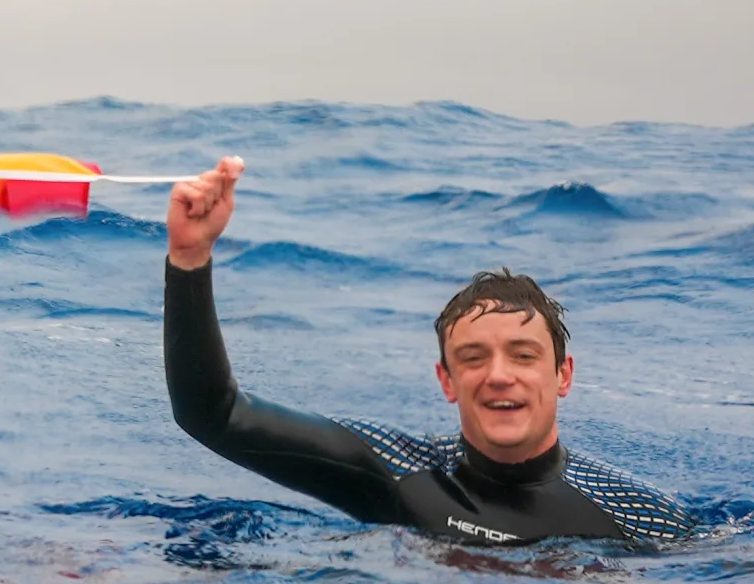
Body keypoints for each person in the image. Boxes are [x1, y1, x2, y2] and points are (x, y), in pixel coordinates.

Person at [160, 157, 695, 546]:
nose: (499, 375)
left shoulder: (642, 516)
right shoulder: (398, 471)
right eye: (473, 358)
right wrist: (190, 256)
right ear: (446, 380)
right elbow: (215, 414)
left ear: (563, 375)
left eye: (524, 355)